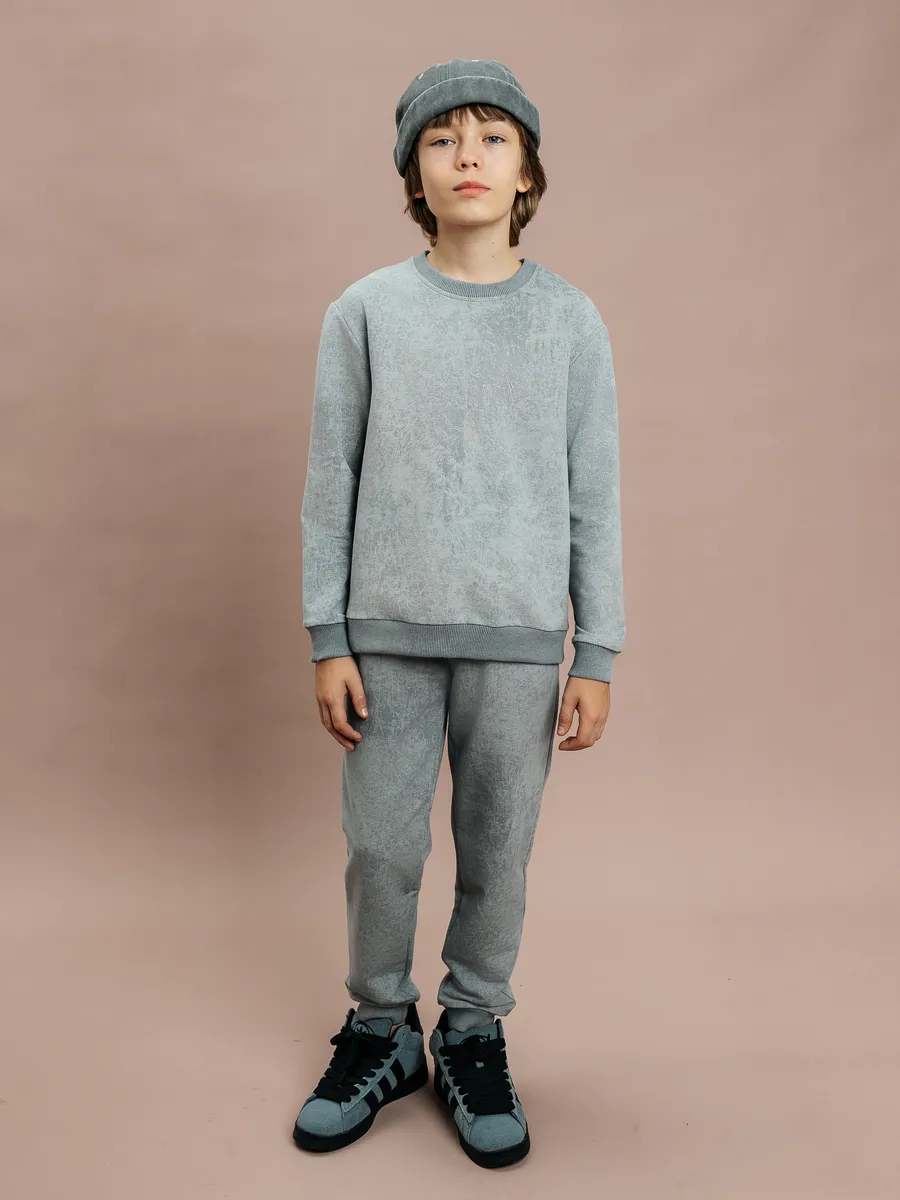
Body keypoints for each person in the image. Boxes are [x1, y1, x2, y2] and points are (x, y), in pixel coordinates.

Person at [292, 58, 626, 1169]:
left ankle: (473, 1024)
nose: (467, 156)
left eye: (491, 138)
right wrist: (329, 636)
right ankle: (382, 1028)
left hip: (519, 646)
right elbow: (330, 483)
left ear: (527, 171)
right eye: (442, 140)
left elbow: (594, 495)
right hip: (385, 639)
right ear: (413, 176)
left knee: (498, 851)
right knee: (381, 848)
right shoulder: (366, 313)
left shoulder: (569, 321)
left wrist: (597, 648)